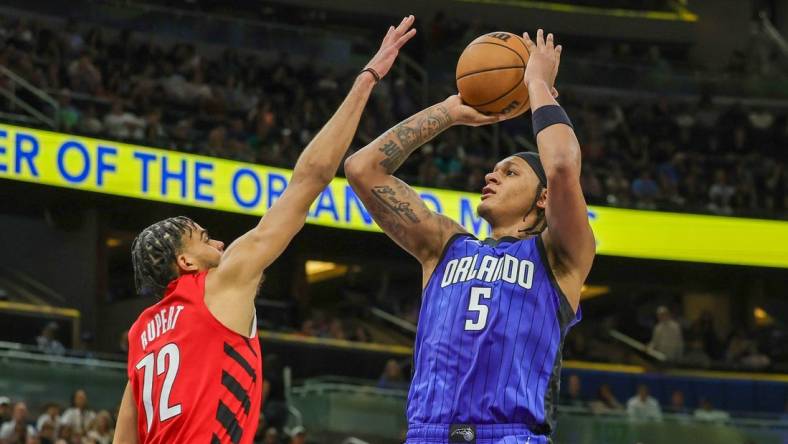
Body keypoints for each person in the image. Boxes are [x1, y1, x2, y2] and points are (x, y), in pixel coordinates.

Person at [113, 17, 417, 444]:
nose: (219, 241)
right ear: (185, 262)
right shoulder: (220, 283)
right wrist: (367, 79)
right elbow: (309, 178)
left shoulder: (141, 331)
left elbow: (124, 436)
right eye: (204, 238)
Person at [345, 29, 594, 443]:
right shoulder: (444, 245)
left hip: (511, 434)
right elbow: (362, 169)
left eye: (510, 172)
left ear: (543, 198)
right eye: (494, 169)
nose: (491, 175)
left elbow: (563, 166)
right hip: (428, 433)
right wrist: (449, 112)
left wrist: (535, 85)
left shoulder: (560, 255)